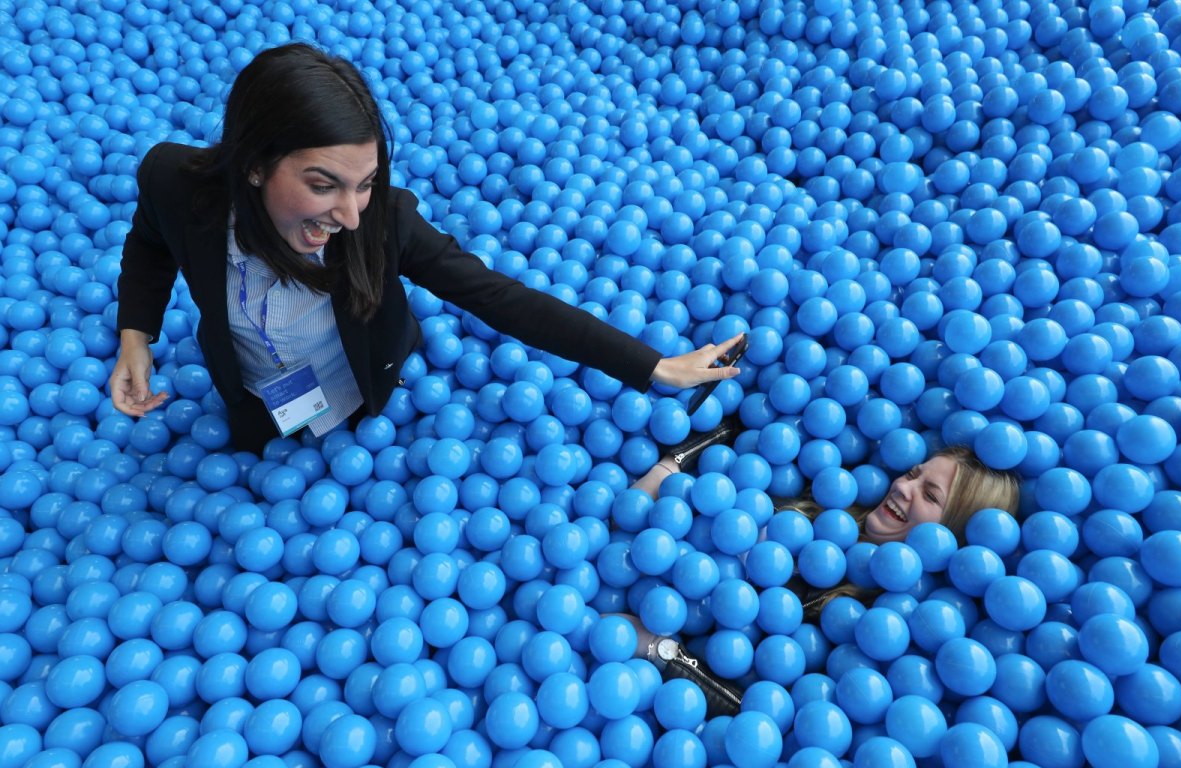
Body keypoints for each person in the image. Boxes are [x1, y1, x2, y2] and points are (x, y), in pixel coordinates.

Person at [109, 43, 742, 452]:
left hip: (359, 388)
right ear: (252, 165)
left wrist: (652, 366)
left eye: (365, 185)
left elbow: (500, 298)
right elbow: (149, 242)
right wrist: (136, 334)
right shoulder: (176, 180)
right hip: (257, 407)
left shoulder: (383, 223)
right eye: (322, 186)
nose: (351, 217)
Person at [624, 444, 1021, 717]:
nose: (903, 486)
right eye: (913, 474)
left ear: (952, 534)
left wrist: (662, 652)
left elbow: (771, 714)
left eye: (930, 496)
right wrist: (669, 466)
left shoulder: (870, 621)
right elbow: (730, 426)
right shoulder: (829, 505)